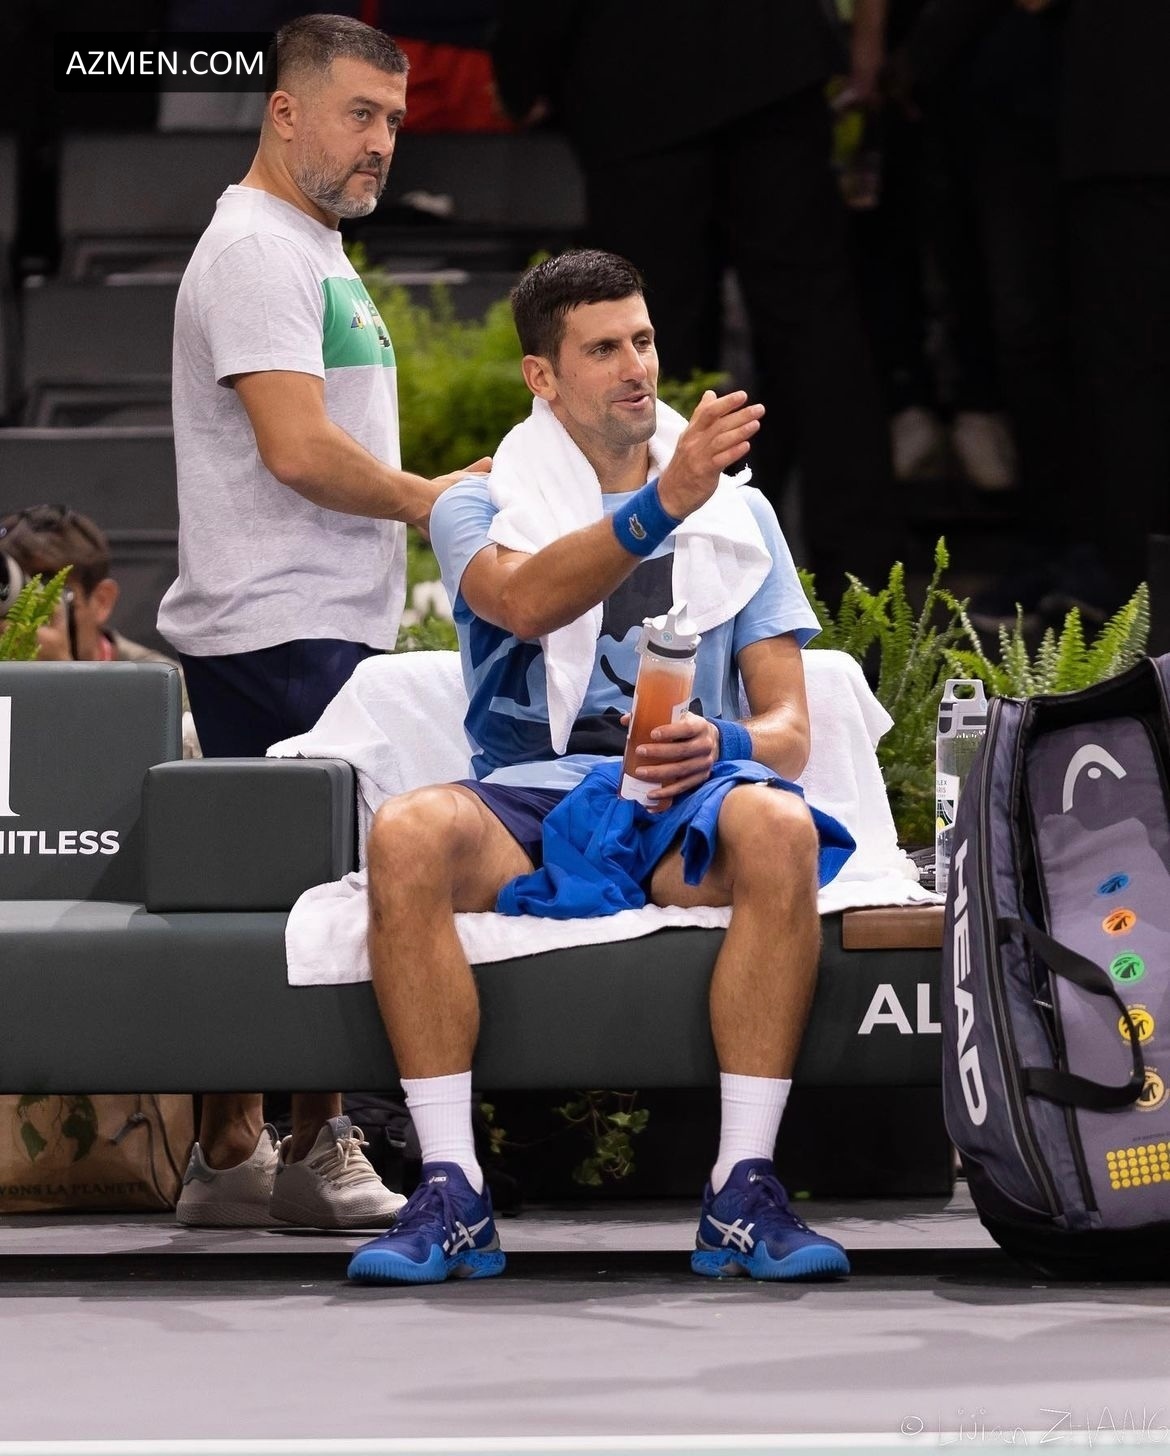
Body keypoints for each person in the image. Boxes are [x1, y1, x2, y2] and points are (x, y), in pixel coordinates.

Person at [346, 250, 853, 1286]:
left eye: (645, 340)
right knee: (404, 831)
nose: (636, 367)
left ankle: (742, 1189)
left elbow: (791, 729)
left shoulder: (739, 513)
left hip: (678, 797)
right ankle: (451, 1191)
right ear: (542, 376)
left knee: (780, 822)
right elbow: (525, 602)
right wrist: (665, 501)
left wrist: (727, 745)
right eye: (603, 348)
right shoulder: (476, 505)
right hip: (527, 800)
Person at [155, 12, 488, 1231]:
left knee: (309, 883)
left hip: (314, 619)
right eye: (359, 113)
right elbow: (296, 449)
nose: (382, 140)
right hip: (273, 624)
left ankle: (246, 1152)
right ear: (284, 111)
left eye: (394, 118)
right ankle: (306, 1144)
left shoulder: (309, 245)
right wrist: (429, 499)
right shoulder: (257, 247)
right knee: (329, 889)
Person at [491, 0, 900, 601]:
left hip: (639, 68)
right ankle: (866, 590)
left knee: (649, 334)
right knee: (810, 327)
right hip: (770, 57)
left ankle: (671, 583)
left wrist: (522, 69)